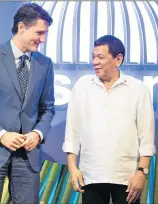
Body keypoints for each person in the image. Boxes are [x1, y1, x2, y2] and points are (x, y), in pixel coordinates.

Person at [0, 3, 55, 203]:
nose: (43, 39)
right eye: (39, 32)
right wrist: (1, 135)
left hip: (28, 157)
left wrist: (37, 134)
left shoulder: (45, 64)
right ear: (21, 27)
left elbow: (47, 108)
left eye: (45, 33)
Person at [62, 35, 155, 204]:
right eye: (93, 57)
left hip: (127, 178)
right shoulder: (82, 86)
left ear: (118, 59)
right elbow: (72, 130)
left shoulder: (138, 89)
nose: (95, 62)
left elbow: (146, 136)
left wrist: (142, 171)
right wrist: (72, 167)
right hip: (90, 176)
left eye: (101, 57)